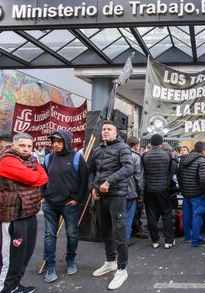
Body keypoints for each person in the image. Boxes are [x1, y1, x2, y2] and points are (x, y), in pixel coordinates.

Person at [0, 133, 49, 293]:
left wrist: (33, 175)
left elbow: (43, 177)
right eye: (22, 145)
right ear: (13, 145)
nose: (26, 149)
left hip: (28, 214)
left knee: (23, 255)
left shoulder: (28, 160)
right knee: (10, 258)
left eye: (29, 146)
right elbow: (33, 177)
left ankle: (14, 286)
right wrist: (32, 175)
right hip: (12, 217)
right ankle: (4, 289)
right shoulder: (7, 160)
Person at [89, 120, 134, 290]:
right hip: (100, 195)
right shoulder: (98, 148)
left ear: (116, 132)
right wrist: (92, 188)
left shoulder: (123, 147)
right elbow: (92, 171)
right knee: (106, 231)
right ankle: (110, 262)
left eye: (109, 129)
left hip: (117, 195)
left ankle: (122, 269)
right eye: (104, 129)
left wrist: (109, 181)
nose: (105, 131)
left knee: (119, 233)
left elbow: (128, 168)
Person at [41, 130, 88, 283]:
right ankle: (50, 266)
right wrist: (42, 196)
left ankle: (70, 260)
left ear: (66, 142)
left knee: (72, 234)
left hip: (69, 205)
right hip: (50, 204)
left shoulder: (76, 158)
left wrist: (77, 199)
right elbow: (42, 178)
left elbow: (84, 181)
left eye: (59, 141)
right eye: (53, 141)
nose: (55, 144)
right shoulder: (48, 158)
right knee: (49, 236)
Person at [142, 134, 178, 249]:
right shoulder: (167, 155)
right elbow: (172, 170)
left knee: (151, 215)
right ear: (161, 144)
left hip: (149, 189)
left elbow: (142, 173)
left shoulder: (145, 155)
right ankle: (168, 240)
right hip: (163, 189)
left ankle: (154, 240)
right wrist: (166, 183)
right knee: (166, 214)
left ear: (151, 144)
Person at [177, 141, 205, 247]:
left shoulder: (184, 159)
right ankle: (196, 240)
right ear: (203, 150)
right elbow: (204, 179)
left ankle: (188, 237)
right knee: (197, 215)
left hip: (186, 192)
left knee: (187, 214)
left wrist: (183, 189)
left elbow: (179, 176)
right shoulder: (202, 160)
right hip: (197, 193)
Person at [126, 136, 145, 247]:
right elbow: (138, 177)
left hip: (118, 190)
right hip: (131, 190)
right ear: (135, 145)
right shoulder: (136, 156)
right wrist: (140, 193)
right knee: (128, 216)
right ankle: (125, 238)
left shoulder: (118, 152)